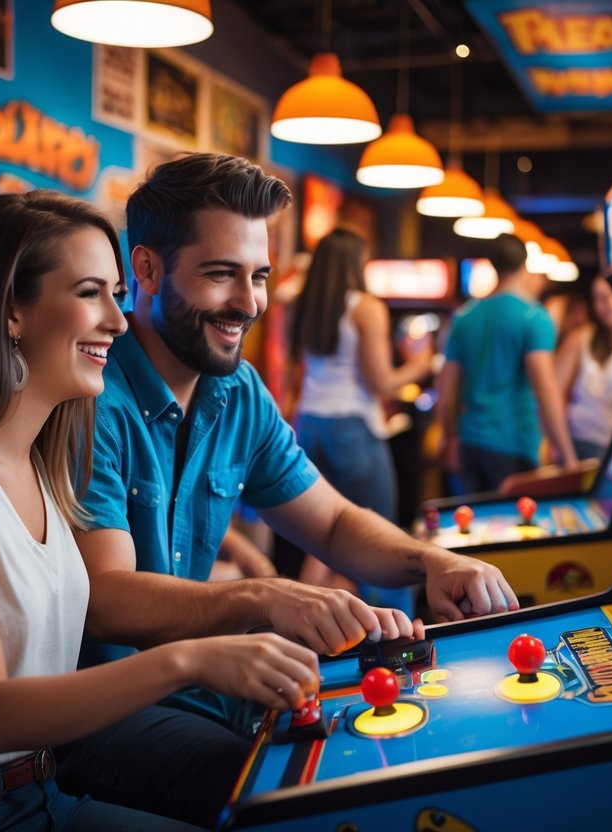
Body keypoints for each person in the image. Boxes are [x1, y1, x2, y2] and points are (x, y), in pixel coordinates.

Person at [55, 153, 519, 826]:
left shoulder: (235, 390)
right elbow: (106, 602)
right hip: (103, 711)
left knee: (392, 752)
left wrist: (432, 561)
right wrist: (266, 597)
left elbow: (329, 524)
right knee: (315, 800)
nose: (247, 303)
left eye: (258, 277)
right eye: (220, 275)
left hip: (212, 686)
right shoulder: (95, 393)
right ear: (147, 270)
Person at [0, 190, 320, 832]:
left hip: (38, 793)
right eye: (91, 293)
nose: (119, 322)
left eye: (117, 294)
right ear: (12, 309)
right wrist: (193, 658)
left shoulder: (39, 460)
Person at [287, 226, 434, 612]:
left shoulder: (304, 305)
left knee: (319, 535)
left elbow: (296, 374)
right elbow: (382, 381)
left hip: (309, 425)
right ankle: (396, 633)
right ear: (356, 263)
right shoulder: (366, 307)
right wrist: (421, 364)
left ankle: (300, 622)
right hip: (351, 429)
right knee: (382, 536)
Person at [437, 233, 578, 493]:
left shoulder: (464, 317)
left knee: (472, 529)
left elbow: (447, 392)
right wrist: (567, 454)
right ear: (525, 265)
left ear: (492, 265)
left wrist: (450, 439)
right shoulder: (534, 317)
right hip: (514, 447)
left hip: (470, 443)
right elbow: (545, 390)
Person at [555, 275, 612, 460]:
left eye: (608, 297)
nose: (603, 305)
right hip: (575, 441)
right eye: (597, 299)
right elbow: (555, 392)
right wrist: (561, 448)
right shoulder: (581, 337)